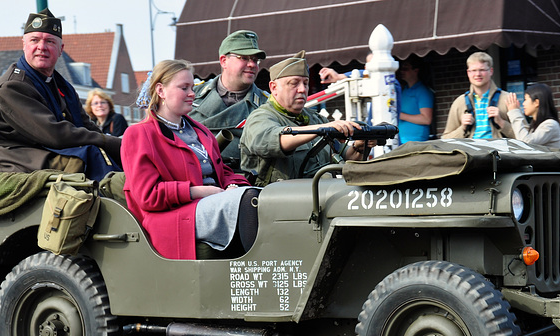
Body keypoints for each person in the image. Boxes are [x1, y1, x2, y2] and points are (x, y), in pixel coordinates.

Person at [122, 59, 257, 261]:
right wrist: (197, 191)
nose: (192, 93)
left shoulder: (200, 130)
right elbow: (148, 196)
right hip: (176, 216)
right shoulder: (139, 134)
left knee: (265, 200)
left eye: (192, 87)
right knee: (249, 201)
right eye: (184, 88)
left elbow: (223, 172)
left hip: (214, 203)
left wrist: (233, 186)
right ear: (161, 90)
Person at [0, 8, 122, 181]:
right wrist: (109, 142)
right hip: (9, 156)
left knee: (109, 154)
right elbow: (54, 134)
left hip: (39, 150)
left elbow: (85, 126)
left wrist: (123, 145)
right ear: (24, 45)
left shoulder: (61, 85)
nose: (41, 47)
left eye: (49, 41)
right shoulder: (12, 87)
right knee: (86, 157)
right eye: (34, 40)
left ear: (61, 48)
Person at [240, 51, 374, 186]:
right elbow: (272, 140)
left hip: (322, 196)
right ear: (274, 87)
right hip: (277, 201)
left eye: (305, 83)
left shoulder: (316, 119)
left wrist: (360, 146)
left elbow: (345, 156)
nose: (302, 89)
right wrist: (321, 129)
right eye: (294, 83)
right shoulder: (260, 117)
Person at [188, 30, 268, 170]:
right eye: (244, 58)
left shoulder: (267, 103)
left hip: (246, 183)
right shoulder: (192, 94)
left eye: (255, 60)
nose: (252, 64)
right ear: (224, 61)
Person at [442, 51, 514, 140]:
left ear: (491, 71)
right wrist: (463, 128)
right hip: (471, 153)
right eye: (473, 70)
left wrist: (501, 122)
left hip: (499, 152)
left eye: (482, 70)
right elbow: (445, 139)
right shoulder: (459, 103)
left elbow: (524, 137)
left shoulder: (508, 99)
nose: (477, 74)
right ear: (468, 73)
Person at [505, 83, 560, 149]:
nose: (523, 104)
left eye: (526, 99)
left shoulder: (550, 125)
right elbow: (523, 135)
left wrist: (514, 112)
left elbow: (526, 142)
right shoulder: (535, 126)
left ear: (536, 102)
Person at [396, 56, 433, 143]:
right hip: (402, 141)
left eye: (406, 69)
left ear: (416, 71)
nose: (402, 71)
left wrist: (401, 115)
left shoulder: (423, 91)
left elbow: (426, 119)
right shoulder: (404, 90)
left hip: (416, 142)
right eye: (402, 69)